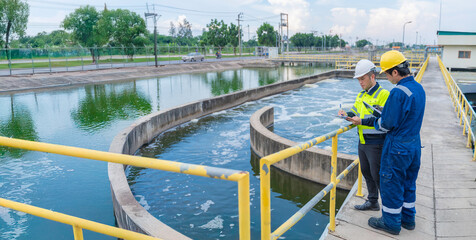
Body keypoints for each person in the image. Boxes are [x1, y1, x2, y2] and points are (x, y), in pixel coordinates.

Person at [347, 50, 426, 235]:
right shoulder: (418, 88)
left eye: (387, 73)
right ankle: (408, 219)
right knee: (408, 183)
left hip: (398, 146)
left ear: (395, 72)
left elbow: (385, 124)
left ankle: (390, 222)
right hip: (414, 144)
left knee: (391, 183)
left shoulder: (398, 92)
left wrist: (367, 120)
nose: (387, 77)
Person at [338, 59, 389, 211]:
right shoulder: (361, 95)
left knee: (378, 176)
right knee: (366, 173)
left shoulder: (384, 94)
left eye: (362, 78)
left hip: (377, 143)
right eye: (358, 79)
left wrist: (361, 121)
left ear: (372, 76)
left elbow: (384, 119)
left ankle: (389, 210)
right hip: (363, 141)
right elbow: (355, 112)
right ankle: (373, 201)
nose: (360, 82)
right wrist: (346, 114)